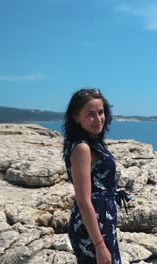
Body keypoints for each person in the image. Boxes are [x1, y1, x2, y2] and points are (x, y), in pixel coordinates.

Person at [62, 88, 121, 264]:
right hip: (92, 228)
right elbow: (83, 200)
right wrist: (100, 245)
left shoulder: (93, 142)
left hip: (102, 222)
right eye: (90, 114)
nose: (98, 119)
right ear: (76, 117)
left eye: (101, 112)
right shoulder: (82, 148)